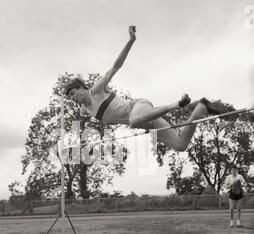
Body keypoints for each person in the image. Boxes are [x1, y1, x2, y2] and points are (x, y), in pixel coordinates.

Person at [64, 25, 234, 152]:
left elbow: (116, 66)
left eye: (73, 93)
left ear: (81, 88)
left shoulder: (97, 89)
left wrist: (130, 41)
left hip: (138, 107)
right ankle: (201, 108)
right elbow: (83, 118)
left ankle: (177, 104)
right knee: (181, 145)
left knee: (133, 120)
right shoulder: (85, 110)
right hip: (146, 123)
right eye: (70, 97)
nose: (72, 98)